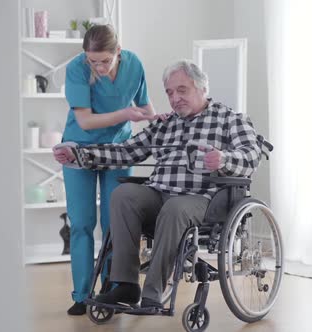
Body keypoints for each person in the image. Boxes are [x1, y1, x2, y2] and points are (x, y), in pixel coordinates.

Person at [54, 59, 262, 309]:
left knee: (175, 207)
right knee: (124, 194)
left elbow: (252, 155)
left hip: (203, 199)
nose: (175, 99)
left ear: (202, 88)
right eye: (170, 93)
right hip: (160, 194)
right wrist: (80, 155)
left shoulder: (230, 119)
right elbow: (125, 152)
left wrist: (224, 158)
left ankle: (153, 293)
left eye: (181, 90)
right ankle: (126, 285)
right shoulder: (165, 124)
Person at [60, 24, 160, 316]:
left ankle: (111, 289)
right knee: (81, 223)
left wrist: (160, 119)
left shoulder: (135, 64)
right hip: (79, 150)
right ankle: (81, 294)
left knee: (116, 224)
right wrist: (126, 114)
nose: (99, 67)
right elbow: (86, 122)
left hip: (119, 151)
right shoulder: (77, 69)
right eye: (93, 61)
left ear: (119, 51)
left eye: (105, 60)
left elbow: (145, 107)